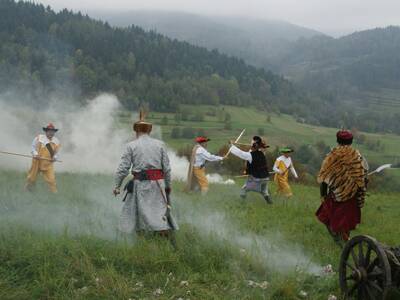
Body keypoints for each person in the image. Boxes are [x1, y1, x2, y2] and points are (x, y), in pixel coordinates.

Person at [113, 111, 178, 239]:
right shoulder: (160, 144)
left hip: (140, 185)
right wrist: (168, 186)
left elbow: (123, 169)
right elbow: (167, 169)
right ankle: (159, 237)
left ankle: (144, 237)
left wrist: (117, 186)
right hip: (159, 184)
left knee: (139, 214)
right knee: (158, 212)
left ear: (136, 131)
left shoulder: (131, 145)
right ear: (149, 131)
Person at [316, 130, 368, 246]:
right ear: (351, 141)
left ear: (338, 141)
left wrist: (323, 195)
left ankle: (341, 243)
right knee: (345, 223)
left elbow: (324, 179)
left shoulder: (332, 157)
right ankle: (344, 242)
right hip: (353, 196)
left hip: (337, 196)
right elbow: (364, 178)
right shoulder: (358, 156)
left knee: (325, 217)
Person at [228, 136, 272, 204]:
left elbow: (240, 153)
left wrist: (231, 145)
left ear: (253, 146)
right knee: (264, 192)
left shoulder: (250, 155)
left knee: (244, 189)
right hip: (266, 178)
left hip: (257, 179)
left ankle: (241, 203)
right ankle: (270, 203)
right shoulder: (262, 154)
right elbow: (262, 148)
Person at [25, 123, 61, 193]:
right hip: (37, 161)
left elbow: (57, 153)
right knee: (31, 178)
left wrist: (55, 158)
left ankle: (54, 193)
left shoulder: (56, 142)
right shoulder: (39, 138)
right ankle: (28, 190)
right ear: (46, 131)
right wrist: (36, 154)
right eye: (49, 131)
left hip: (48, 164)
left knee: (51, 179)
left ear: (54, 132)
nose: (51, 133)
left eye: (52, 131)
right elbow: (33, 147)